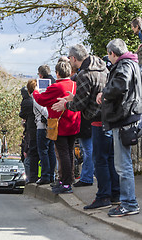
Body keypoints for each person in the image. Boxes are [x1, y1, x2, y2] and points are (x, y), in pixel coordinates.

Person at [52, 44, 120, 209]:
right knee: (110, 158)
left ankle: (103, 196)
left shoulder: (84, 74)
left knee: (100, 160)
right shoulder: (103, 68)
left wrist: (67, 104)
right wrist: (73, 98)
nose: (69, 61)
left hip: (96, 120)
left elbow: (81, 104)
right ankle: (115, 194)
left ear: (74, 58)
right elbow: (93, 94)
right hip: (109, 118)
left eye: (70, 58)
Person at [98, 39, 142, 217]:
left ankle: (129, 203)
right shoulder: (133, 63)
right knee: (124, 164)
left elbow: (121, 85)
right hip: (130, 117)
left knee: (122, 165)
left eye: (109, 54)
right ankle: (128, 201)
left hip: (123, 119)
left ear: (112, 53)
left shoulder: (124, 65)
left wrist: (105, 93)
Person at [33, 60, 81, 194]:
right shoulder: (74, 85)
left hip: (60, 124)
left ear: (57, 73)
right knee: (70, 152)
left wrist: (35, 92)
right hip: (74, 122)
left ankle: (66, 183)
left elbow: (41, 100)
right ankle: (69, 178)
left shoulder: (56, 87)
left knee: (63, 153)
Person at [29, 79, 56, 185]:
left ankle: (45, 176)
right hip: (51, 126)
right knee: (51, 151)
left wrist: (48, 117)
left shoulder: (36, 97)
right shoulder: (46, 95)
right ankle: (51, 175)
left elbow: (44, 111)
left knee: (43, 151)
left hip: (42, 126)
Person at [19, 85, 38, 183]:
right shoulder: (31, 102)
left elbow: (22, 114)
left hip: (32, 134)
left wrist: (26, 148)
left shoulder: (27, 103)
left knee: (29, 161)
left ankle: (31, 178)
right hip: (32, 133)